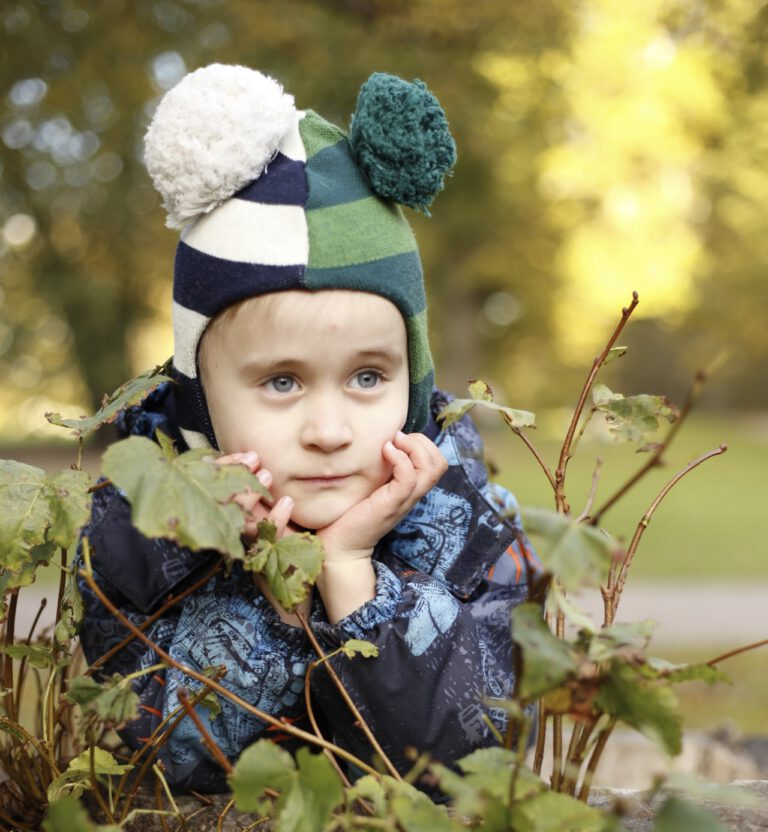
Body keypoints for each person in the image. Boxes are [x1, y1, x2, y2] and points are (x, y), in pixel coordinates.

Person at [78, 64, 538, 794]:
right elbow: (161, 763)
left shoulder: (469, 529)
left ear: (411, 386)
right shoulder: (139, 540)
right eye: (282, 382)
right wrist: (280, 600)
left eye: (367, 378)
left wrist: (351, 574)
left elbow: (467, 767)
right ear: (200, 403)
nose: (329, 430)